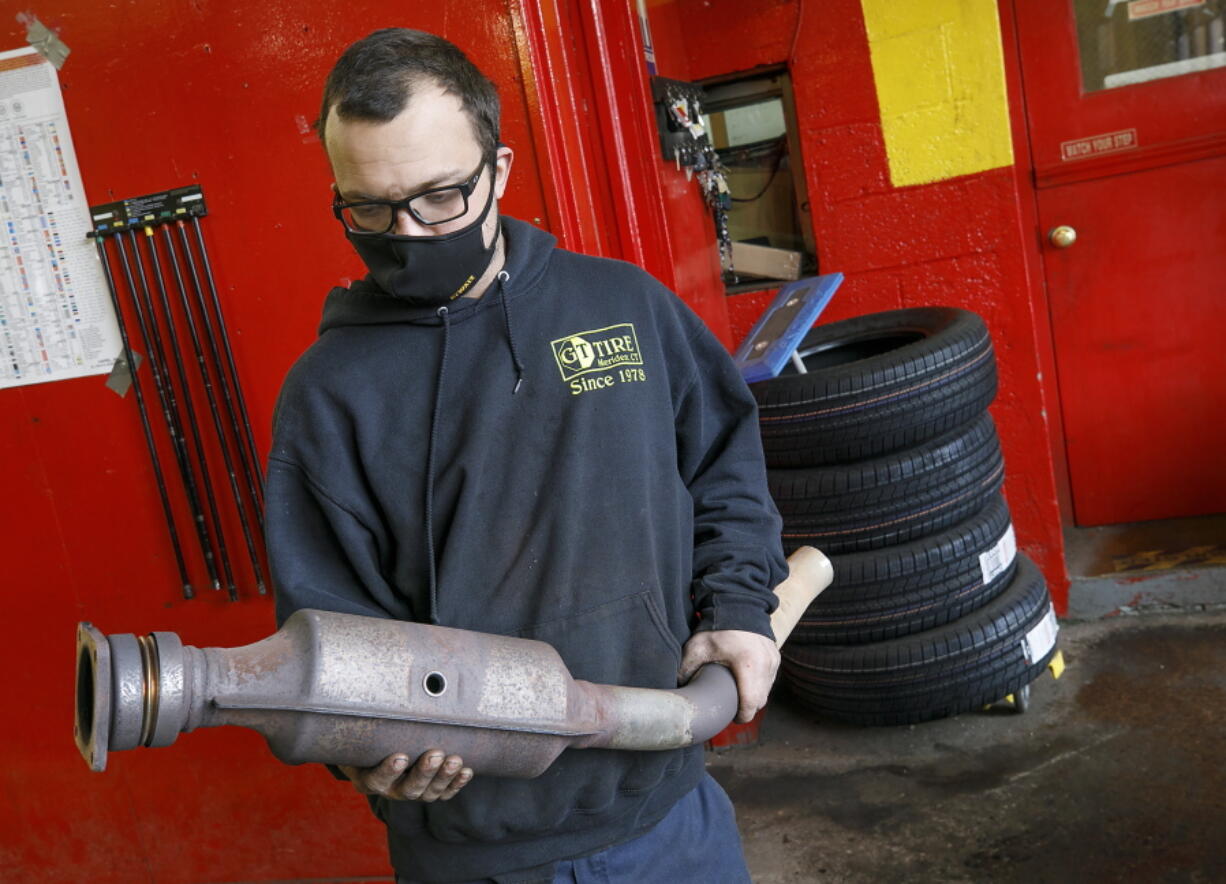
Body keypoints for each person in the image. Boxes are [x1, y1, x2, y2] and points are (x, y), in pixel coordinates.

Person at [265, 27, 788, 884]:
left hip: (668, 813)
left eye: (440, 197)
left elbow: (724, 461)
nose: (407, 234)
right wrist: (363, 749)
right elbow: (326, 627)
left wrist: (738, 605)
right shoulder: (328, 395)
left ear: (499, 171)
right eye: (368, 207)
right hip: (475, 854)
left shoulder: (624, 308)